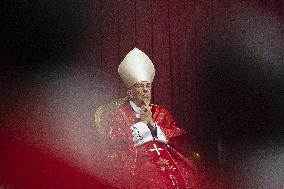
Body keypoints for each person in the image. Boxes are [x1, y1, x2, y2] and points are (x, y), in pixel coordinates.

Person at [95, 48, 200, 189]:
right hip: (138, 161)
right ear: (130, 93)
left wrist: (151, 124)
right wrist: (142, 125)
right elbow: (116, 145)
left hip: (167, 157)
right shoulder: (117, 115)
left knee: (190, 177)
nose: (145, 90)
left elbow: (178, 135)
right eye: (140, 86)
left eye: (148, 86)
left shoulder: (161, 112)